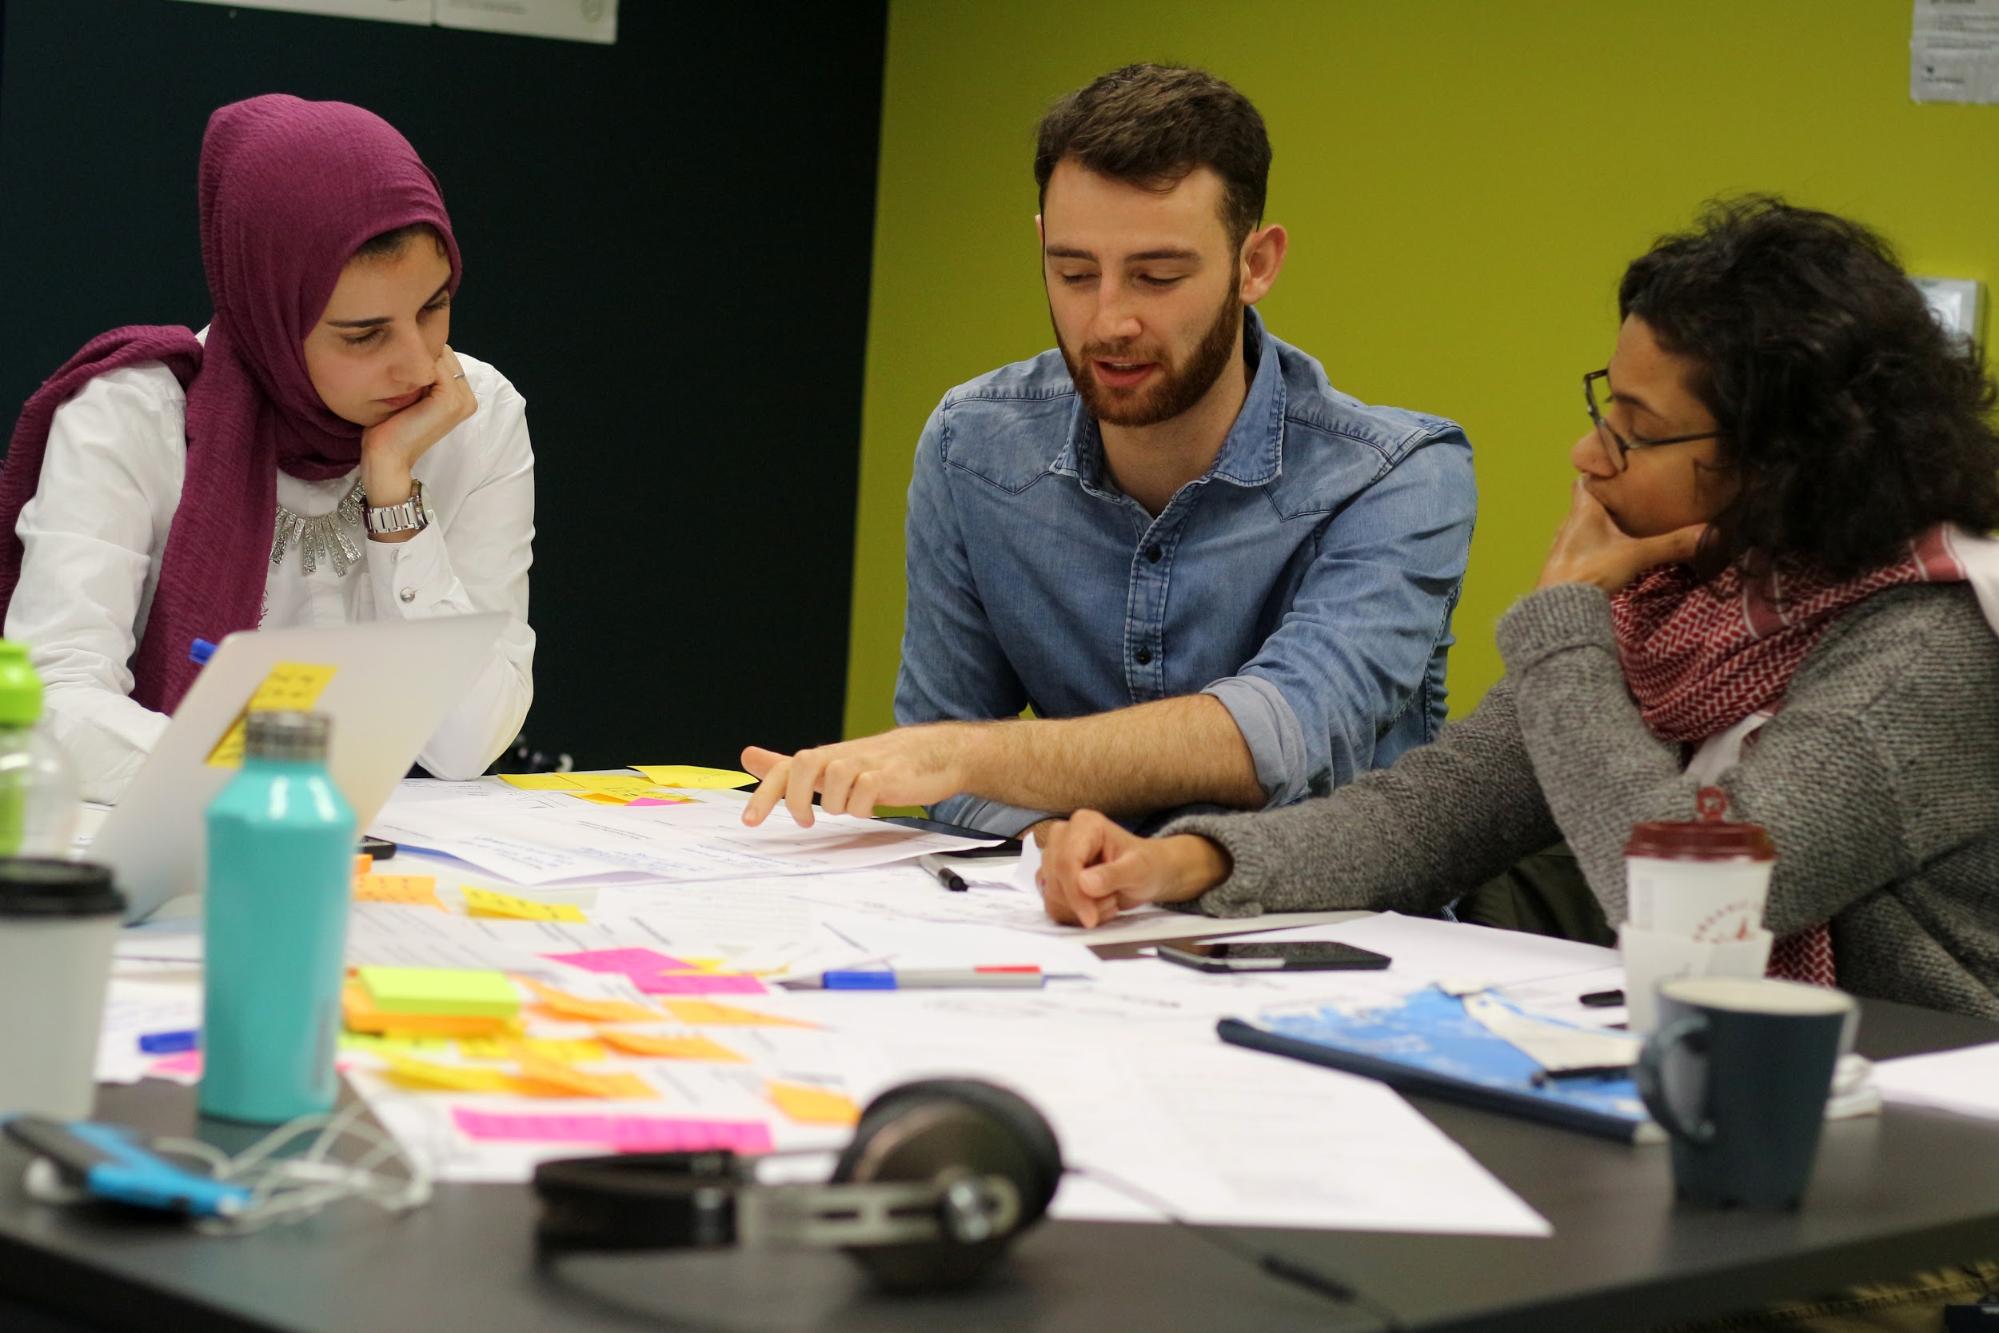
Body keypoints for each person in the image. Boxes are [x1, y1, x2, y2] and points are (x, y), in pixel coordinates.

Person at [1040, 197, 1999, 1023]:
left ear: (1782, 463)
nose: (1590, 456)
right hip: (1747, 1076)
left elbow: (1676, 892)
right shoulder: (1696, 598)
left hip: (1938, 1152)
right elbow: (1431, 814)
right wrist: (1181, 861)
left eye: (1640, 432)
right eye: (1605, 408)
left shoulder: (1922, 647)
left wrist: (1562, 622)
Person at [740, 64, 1475, 836]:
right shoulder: (971, 444)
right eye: (1073, 272)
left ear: (1254, 264)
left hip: (1338, 936)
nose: (1107, 320)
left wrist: (963, 752)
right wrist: (1053, 845)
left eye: (1157, 276)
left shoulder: (1398, 476)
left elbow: (1282, 731)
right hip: (1068, 928)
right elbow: (950, 769)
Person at [0, 94, 535, 802]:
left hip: (386, 864)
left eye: (433, 306)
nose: (417, 363)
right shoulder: (134, 416)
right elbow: (50, 702)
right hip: (171, 844)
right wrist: (265, 783)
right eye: (364, 334)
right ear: (269, 311)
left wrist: (394, 494)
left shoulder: (474, 411)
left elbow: (468, 742)